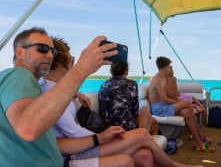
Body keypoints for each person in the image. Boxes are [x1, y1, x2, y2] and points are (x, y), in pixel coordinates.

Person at [39, 37, 197, 167]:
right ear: (59, 63)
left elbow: (54, 88)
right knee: (142, 132)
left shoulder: (56, 88)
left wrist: (76, 92)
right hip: (76, 150)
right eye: (71, 59)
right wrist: (102, 136)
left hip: (85, 141)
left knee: (144, 155)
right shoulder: (51, 93)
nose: (73, 63)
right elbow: (74, 132)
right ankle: (173, 165)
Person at [0, 27, 132, 167]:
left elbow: (45, 92)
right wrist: (82, 68)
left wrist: (74, 93)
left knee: (138, 157)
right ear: (20, 52)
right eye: (43, 48)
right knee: (126, 161)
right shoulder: (18, 75)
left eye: (53, 51)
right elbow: (27, 128)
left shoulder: (31, 84)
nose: (50, 55)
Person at [148, 56, 214, 152]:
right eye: (169, 66)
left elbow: (167, 97)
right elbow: (166, 99)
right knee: (187, 104)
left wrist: (179, 101)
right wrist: (180, 102)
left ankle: (199, 141)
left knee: (187, 112)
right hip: (159, 108)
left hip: (163, 106)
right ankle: (200, 139)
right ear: (166, 67)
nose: (170, 68)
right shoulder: (157, 79)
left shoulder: (161, 78)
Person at [98, 61, 158, 134]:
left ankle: (145, 138)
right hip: (126, 128)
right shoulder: (131, 84)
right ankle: (142, 138)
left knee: (154, 123)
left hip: (107, 129)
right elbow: (134, 111)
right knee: (145, 110)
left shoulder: (104, 85)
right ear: (126, 71)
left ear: (111, 71)